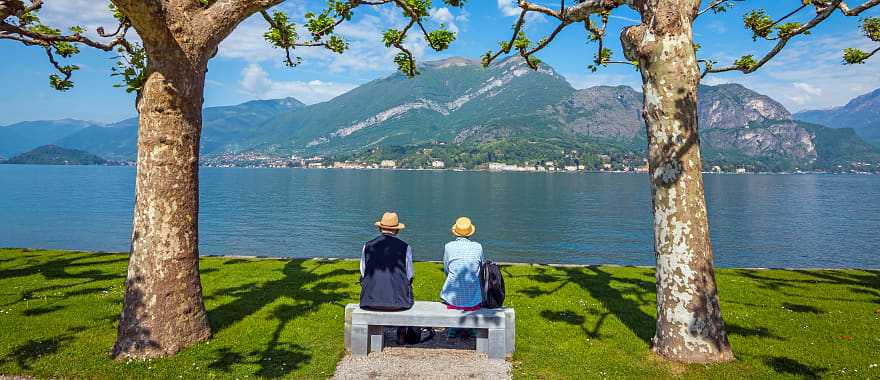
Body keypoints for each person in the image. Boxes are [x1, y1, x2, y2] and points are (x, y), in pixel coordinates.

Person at [359, 211, 414, 311]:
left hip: (369, 302)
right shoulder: (405, 247)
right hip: (399, 303)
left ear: (380, 228)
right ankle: (401, 327)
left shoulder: (367, 245)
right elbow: (409, 275)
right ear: (397, 230)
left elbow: (363, 272)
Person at [440, 217, 484, 338]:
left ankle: (454, 328)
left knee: (452, 291)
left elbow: (447, 269)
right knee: (473, 293)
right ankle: (469, 328)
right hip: (473, 297)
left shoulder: (448, 246)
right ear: (470, 233)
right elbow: (481, 267)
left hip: (452, 297)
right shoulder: (478, 247)